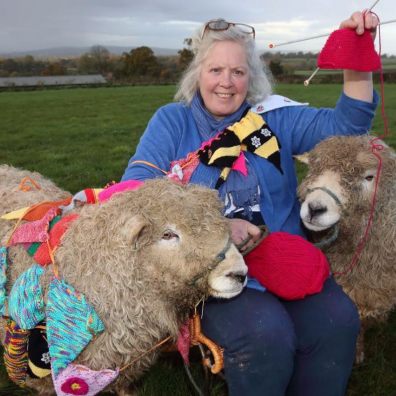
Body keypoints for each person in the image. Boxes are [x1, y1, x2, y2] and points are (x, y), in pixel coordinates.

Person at [122, 11, 379, 396]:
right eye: (216, 70)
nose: (226, 82)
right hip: (211, 274)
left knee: (338, 320)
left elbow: (350, 126)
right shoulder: (172, 122)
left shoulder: (274, 119)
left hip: (284, 262)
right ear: (198, 74)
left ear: (251, 79)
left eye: (238, 72)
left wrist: (357, 47)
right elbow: (135, 190)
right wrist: (217, 227)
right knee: (266, 334)